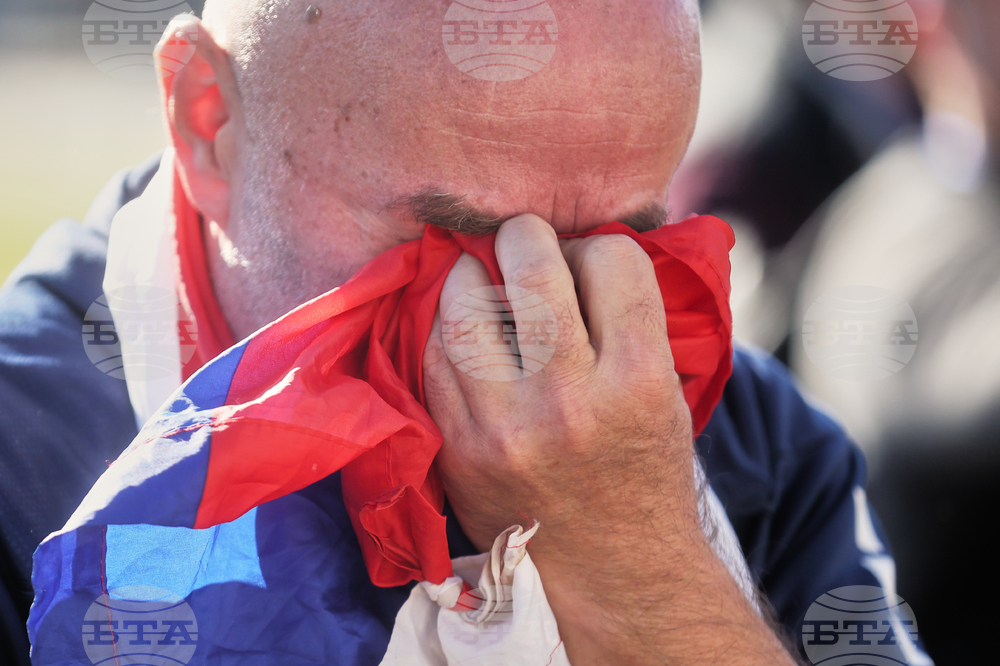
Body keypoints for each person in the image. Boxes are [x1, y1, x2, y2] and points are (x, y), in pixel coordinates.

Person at [0, 1, 920, 664]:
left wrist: (639, 569)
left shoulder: (753, 438)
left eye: (624, 240)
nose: (549, 319)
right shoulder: (20, 464)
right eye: (458, 237)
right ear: (209, 121)